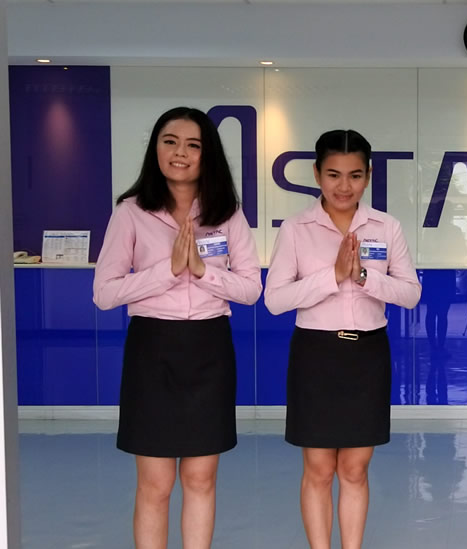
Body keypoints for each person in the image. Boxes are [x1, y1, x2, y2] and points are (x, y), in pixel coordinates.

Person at [93, 107, 262, 549]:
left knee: (201, 479)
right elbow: (104, 293)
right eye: (170, 141)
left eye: (193, 144)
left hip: (209, 348)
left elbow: (250, 290)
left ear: (208, 154)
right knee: (156, 483)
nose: (180, 153)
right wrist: (167, 271)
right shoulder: (131, 212)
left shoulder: (228, 213)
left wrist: (203, 272)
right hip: (152, 350)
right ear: (156, 148)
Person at [264, 129, 421, 549]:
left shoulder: (386, 227)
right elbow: (275, 300)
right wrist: (331, 276)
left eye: (354, 175)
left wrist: (364, 276)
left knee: (354, 468)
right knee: (318, 468)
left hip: (366, 355)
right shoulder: (296, 229)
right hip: (315, 354)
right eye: (333, 175)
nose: (344, 186)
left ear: (368, 175)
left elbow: (410, 294)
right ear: (317, 174)